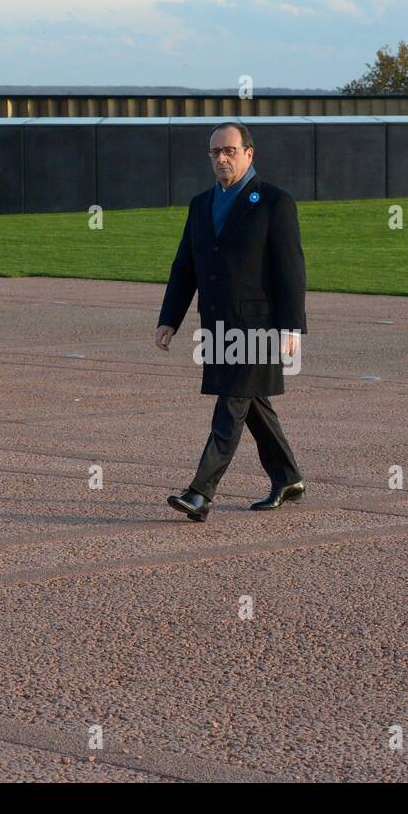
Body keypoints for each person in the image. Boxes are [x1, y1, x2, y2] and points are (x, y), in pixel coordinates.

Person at [155, 121, 307, 521]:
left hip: (259, 327)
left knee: (232, 404)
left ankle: (200, 493)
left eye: (229, 151)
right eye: (215, 153)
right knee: (252, 402)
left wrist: (291, 326)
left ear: (249, 154)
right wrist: (170, 317)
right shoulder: (200, 204)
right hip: (219, 325)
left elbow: (291, 268)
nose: (221, 159)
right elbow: (184, 266)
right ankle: (288, 477)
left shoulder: (275, 202)